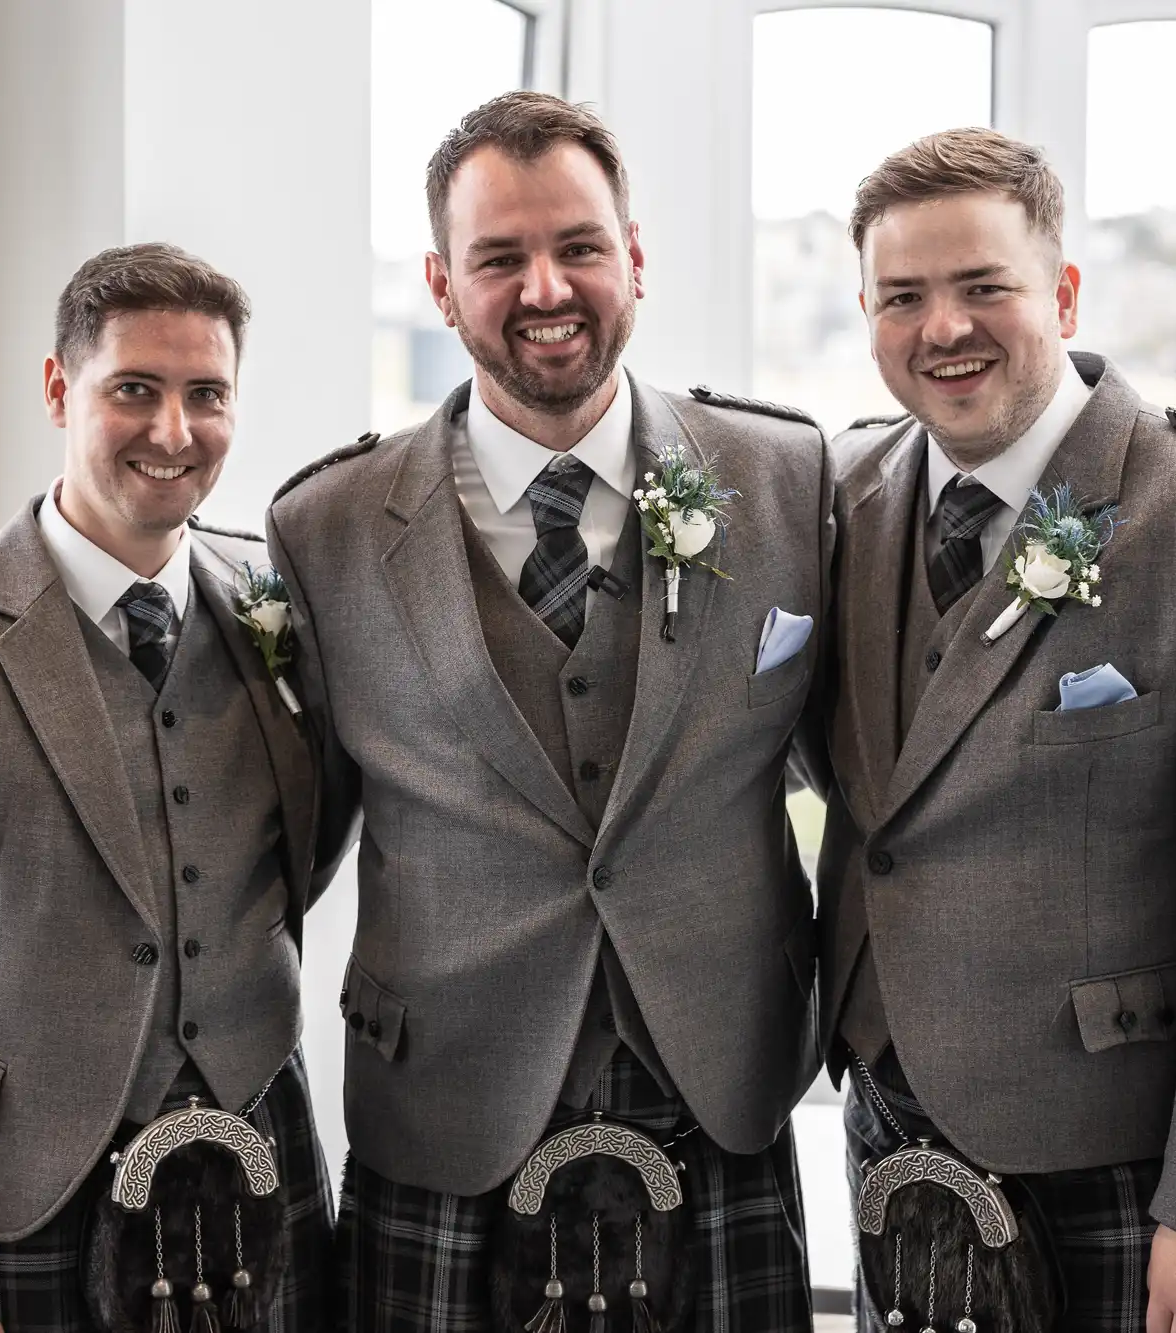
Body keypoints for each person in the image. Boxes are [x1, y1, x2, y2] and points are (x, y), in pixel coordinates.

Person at [267, 92, 832, 1331]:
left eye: (577, 246)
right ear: (437, 281)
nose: (545, 288)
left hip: (719, 1096)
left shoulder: (787, 478)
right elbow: (282, 850)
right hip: (443, 1114)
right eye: (498, 257)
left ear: (634, 253)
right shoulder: (326, 526)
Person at [817, 127, 1176, 1332]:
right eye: (901, 297)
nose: (942, 328)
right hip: (894, 1140)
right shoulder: (845, 501)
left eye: (983, 287)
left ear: (1061, 291)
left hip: (1136, 1174)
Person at [0, 243, 339, 1333]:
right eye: (133, 388)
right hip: (22, 1196)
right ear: (59, 388)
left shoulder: (279, 606)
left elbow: (305, 854)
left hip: (259, 1163)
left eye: (206, 394)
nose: (172, 431)